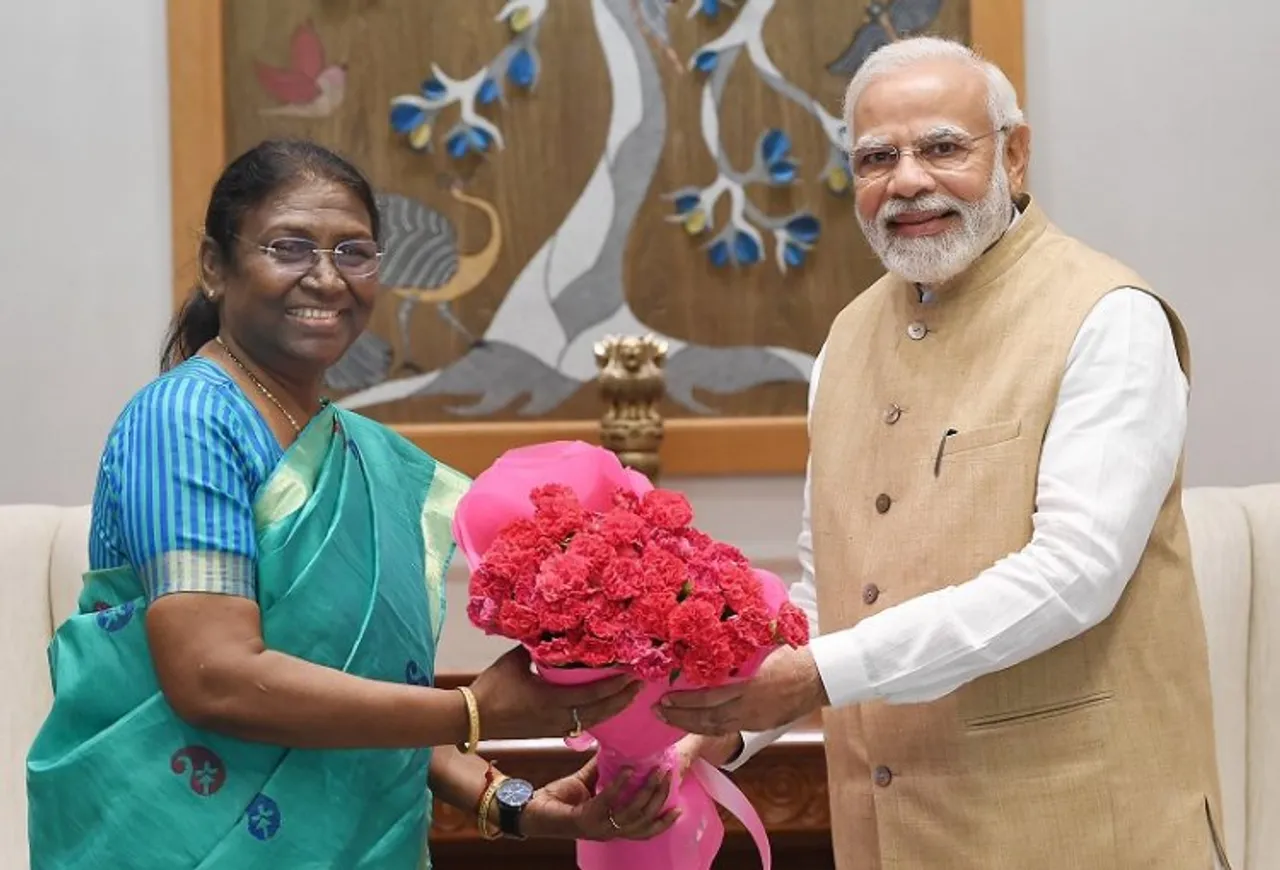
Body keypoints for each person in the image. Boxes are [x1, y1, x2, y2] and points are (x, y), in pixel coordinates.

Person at [660, 37, 1231, 870]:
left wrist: (821, 673)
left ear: (1016, 153)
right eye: (876, 157)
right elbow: (834, 590)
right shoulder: (848, 340)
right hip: (889, 836)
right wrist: (733, 727)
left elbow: (1074, 575)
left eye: (942, 147)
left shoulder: (1110, 317)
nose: (908, 181)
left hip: (1083, 832)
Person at [26, 139, 676, 869]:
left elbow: (360, 695)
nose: (327, 278)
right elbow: (215, 678)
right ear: (216, 265)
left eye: (354, 253)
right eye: (289, 247)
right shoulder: (185, 422)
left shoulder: (362, 454)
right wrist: (474, 709)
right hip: (172, 842)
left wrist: (513, 801)